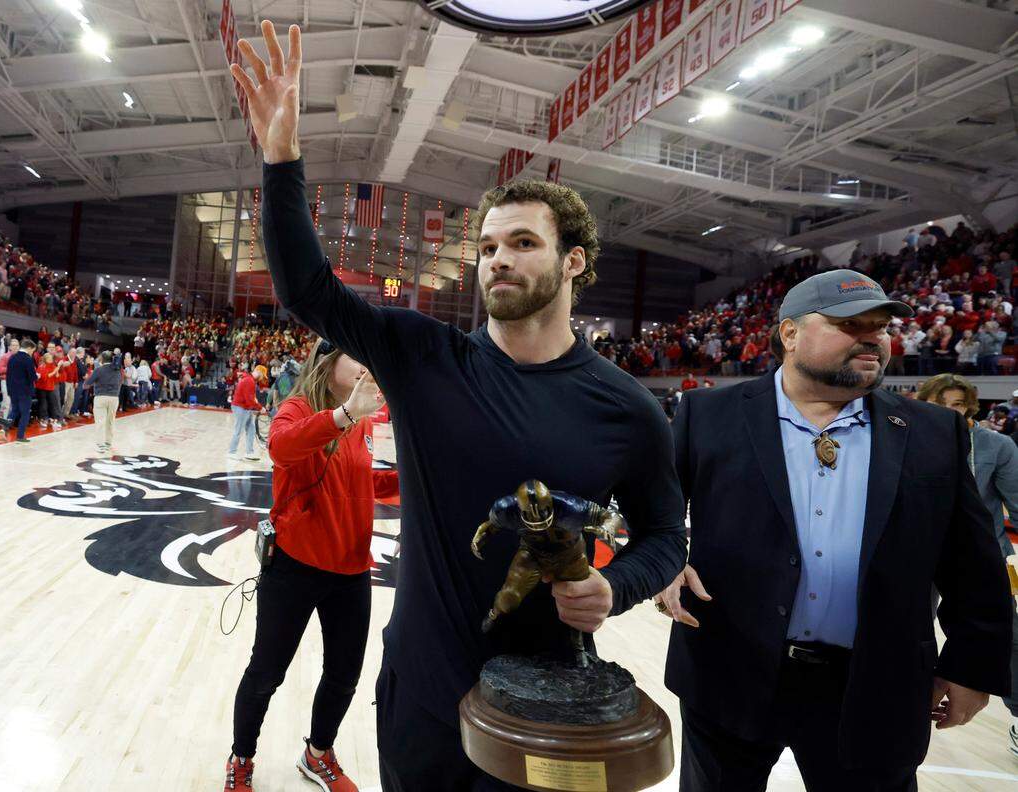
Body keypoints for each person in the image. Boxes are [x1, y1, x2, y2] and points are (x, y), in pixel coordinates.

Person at [232, 23, 687, 792]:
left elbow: (664, 537)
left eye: (522, 243)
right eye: (488, 247)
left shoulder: (628, 408)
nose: (499, 259)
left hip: (552, 716)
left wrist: (618, 588)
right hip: (422, 695)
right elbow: (305, 288)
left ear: (573, 261)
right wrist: (281, 161)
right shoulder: (424, 357)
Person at [659, 269, 1012, 791]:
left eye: (883, 326)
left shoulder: (933, 431)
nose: (873, 337)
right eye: (851, 324)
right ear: (789, 334)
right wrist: (665, 563)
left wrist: (970, 665)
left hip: (876, 684)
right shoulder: (708, 416)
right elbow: (657, 518)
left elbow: (972, 562)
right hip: (731, 674)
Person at [225, 339, 396, 792]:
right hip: (296, 567)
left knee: (344, 675)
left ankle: (316, 755)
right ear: (328, 362)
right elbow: (282, 448)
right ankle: (241, 758)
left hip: (353, 570)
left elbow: (364, 478)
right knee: (266, 672)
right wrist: (343, 416)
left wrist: (412, 473)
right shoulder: (298, 408)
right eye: (356, 355)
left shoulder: (362, 422)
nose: (366, 365)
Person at [917, 373, 1018, 757]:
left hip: (981, 560)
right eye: (940, 403)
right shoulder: (905, 438)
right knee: (908, 632)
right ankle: (907, 703)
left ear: (969, 406)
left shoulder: (996, 445)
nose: (949, 411)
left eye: (957, 404)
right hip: (918, 555)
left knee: (1009, 637)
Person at [84, 351, 122, 453]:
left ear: (102, 359)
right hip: (114, 397)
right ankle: (108, 442)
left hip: (101, 397)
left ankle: (100, 444)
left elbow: (88, 383)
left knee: (100, 421)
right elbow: (120, 382)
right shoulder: (118, 370)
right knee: (110, 421)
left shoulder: (98, 370)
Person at [228, 362, 265, 460]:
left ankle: (249, 452)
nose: (262, 379)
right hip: (240, 407)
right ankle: (231, 452)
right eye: (262, 376)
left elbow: (251, 398)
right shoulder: (249, 381)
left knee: (251, 429)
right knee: (238, 430)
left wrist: (256, 404)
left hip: (245, 408)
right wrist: (260, 408)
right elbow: (249, 400)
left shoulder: (250, 380)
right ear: (259, 372)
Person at [6, 339, 38, 443]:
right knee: (25, 413)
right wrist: (37, 376)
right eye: (32, 351)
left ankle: (4, 428)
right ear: (29, 348)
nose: (32, 353)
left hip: (12, 390)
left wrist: (9, 390)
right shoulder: (27, 359)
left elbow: (8, 375)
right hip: (24, 391)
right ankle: (20, 436)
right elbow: (32, 376)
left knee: (14, 410)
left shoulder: (12, 357)